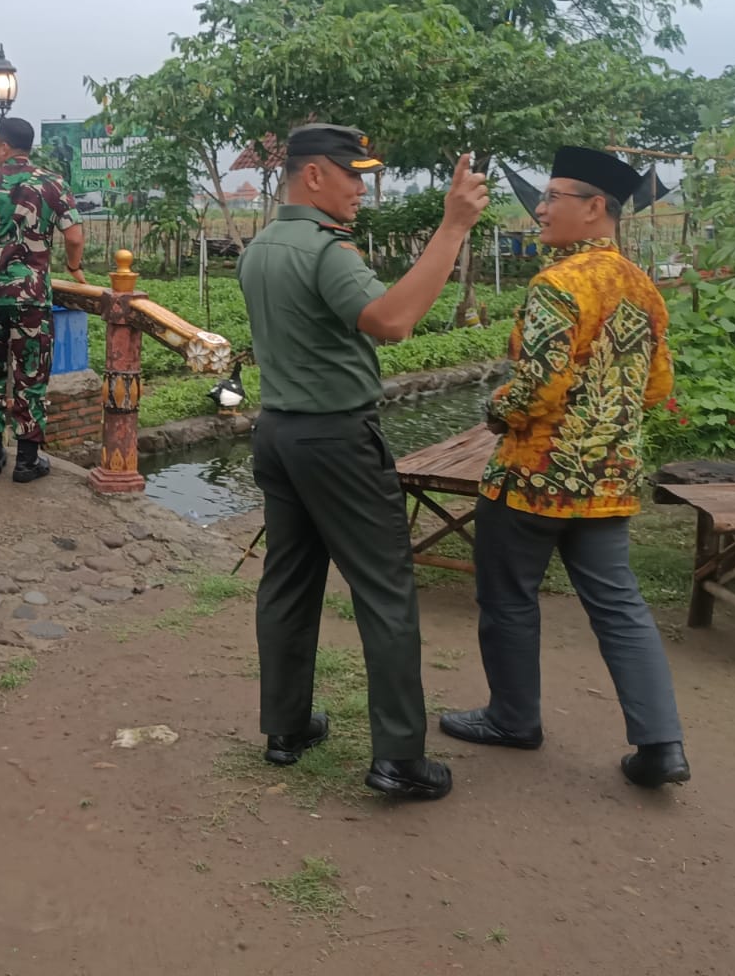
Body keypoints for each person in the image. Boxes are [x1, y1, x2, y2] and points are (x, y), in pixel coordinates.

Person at [238, 124, 489, 801]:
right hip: (337, 440)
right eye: (352, 175)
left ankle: (285, 728)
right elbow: (393, 320)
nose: (360, 188)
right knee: (385, 590)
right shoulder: (326, 251)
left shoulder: (261, 246)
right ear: (314, 175)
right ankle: (399, 758)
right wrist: (453, 227)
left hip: (278, 433)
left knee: (289, 582)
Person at [441, 145, 690, 788]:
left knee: (508, 600)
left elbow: (539, 389)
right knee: (620, 607)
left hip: (533, 478)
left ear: (596, 207)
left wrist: (498, 407)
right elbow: (658, 384)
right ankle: (662, 744)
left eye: (554, 197)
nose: (541, 208)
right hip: (607, 482)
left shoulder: (558, 284)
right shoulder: (644, 287)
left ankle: (514, 719)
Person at [0, 116, 87, 482]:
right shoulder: (53, 184)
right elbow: (75, 237)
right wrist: (74, 266)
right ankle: (27, 461)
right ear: (27, 146)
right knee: (31, 376)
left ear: (2, 145)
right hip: (32, 298)